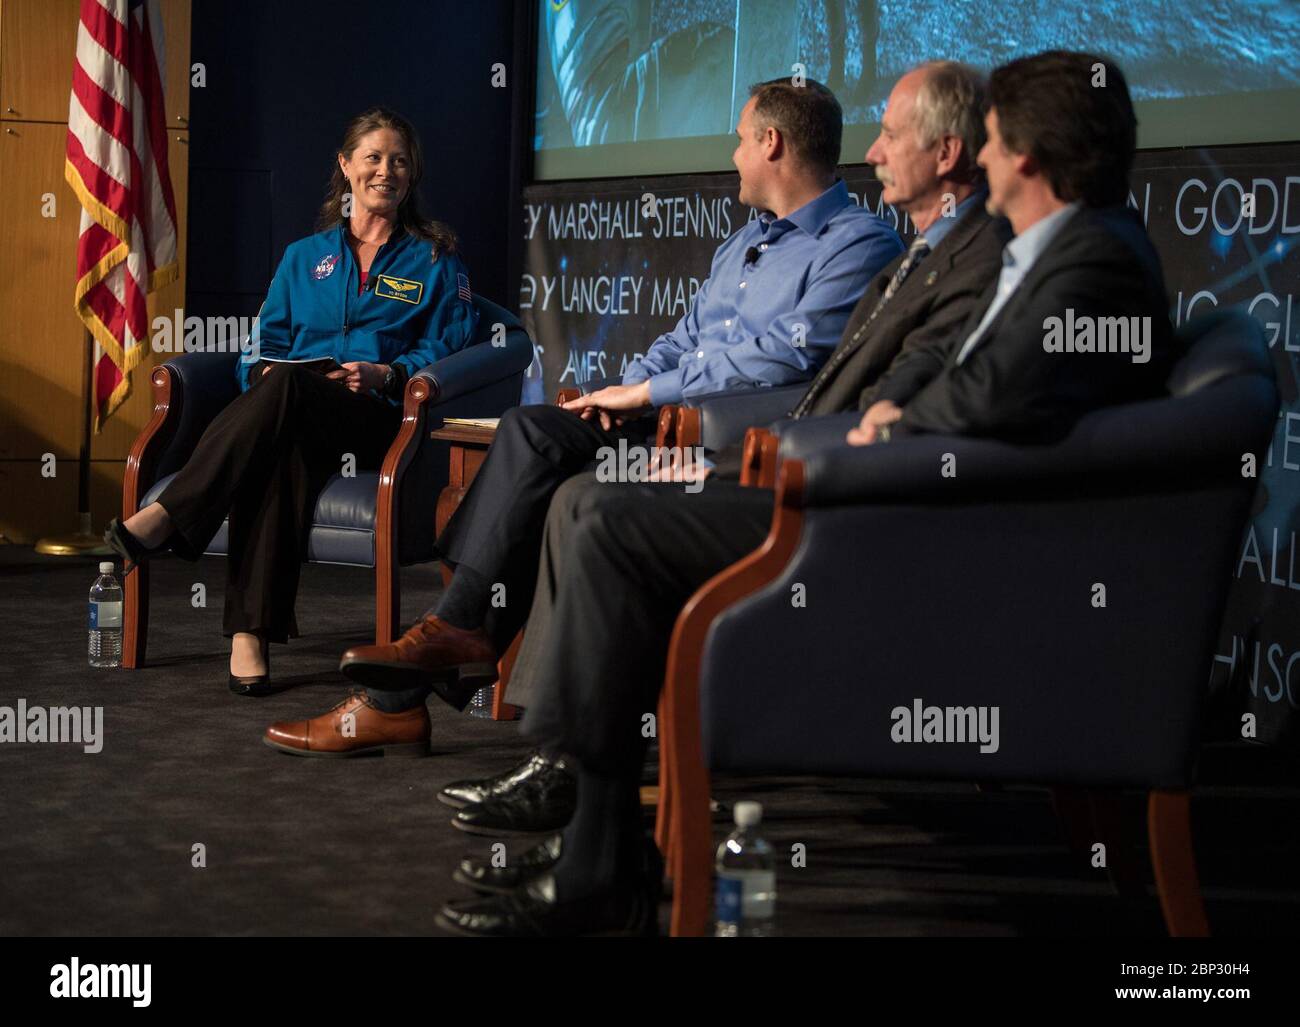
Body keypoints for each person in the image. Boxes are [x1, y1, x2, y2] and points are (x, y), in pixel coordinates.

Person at [435, 50, 1183, 936]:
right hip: (863, 486)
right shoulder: (1035, 250)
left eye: (985, 141)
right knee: (593, 497)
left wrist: (886, 420)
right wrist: (883, 413)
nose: (973, 160)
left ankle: (595, 847)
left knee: (607, 518)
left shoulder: (1090, 259)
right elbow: (961, 377)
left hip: (890, 528)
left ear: (1020, 151)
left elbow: (983, 400)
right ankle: (589, 823)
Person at [263, 77, 904, 757]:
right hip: (662, 416)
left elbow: (783, 359)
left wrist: (649, 393)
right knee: (532, 428)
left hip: (730, 439)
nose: (735, 154)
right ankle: (450, 643)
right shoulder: (742, 243)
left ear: (771, 142)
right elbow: (681, 338)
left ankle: (422, 671)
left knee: (554, 479)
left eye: (740, 140)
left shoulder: (857, 243)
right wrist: (621, 389)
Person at [103, 107, 478, 695]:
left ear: (412, 174)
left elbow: (449, 347)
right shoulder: (305, 257)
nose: (386, 171)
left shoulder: (435, 257)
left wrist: (387, 371)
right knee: (279, 439)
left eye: (399, 161)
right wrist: (274, 370)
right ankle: (249, 636)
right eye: (374, 158)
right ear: (346, 166)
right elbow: (260, 350)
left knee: (286, 391)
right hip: (296, 409)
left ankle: (172, 512)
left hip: (379, 417)